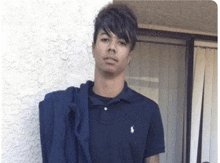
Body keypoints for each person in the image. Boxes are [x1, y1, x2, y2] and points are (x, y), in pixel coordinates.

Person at [39, 3, 165, 163]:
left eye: (121, 42)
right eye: (105, 39)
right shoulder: (69, 108)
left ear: (129, 56)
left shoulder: (148, 111)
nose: (112, 47)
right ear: (93, 48)